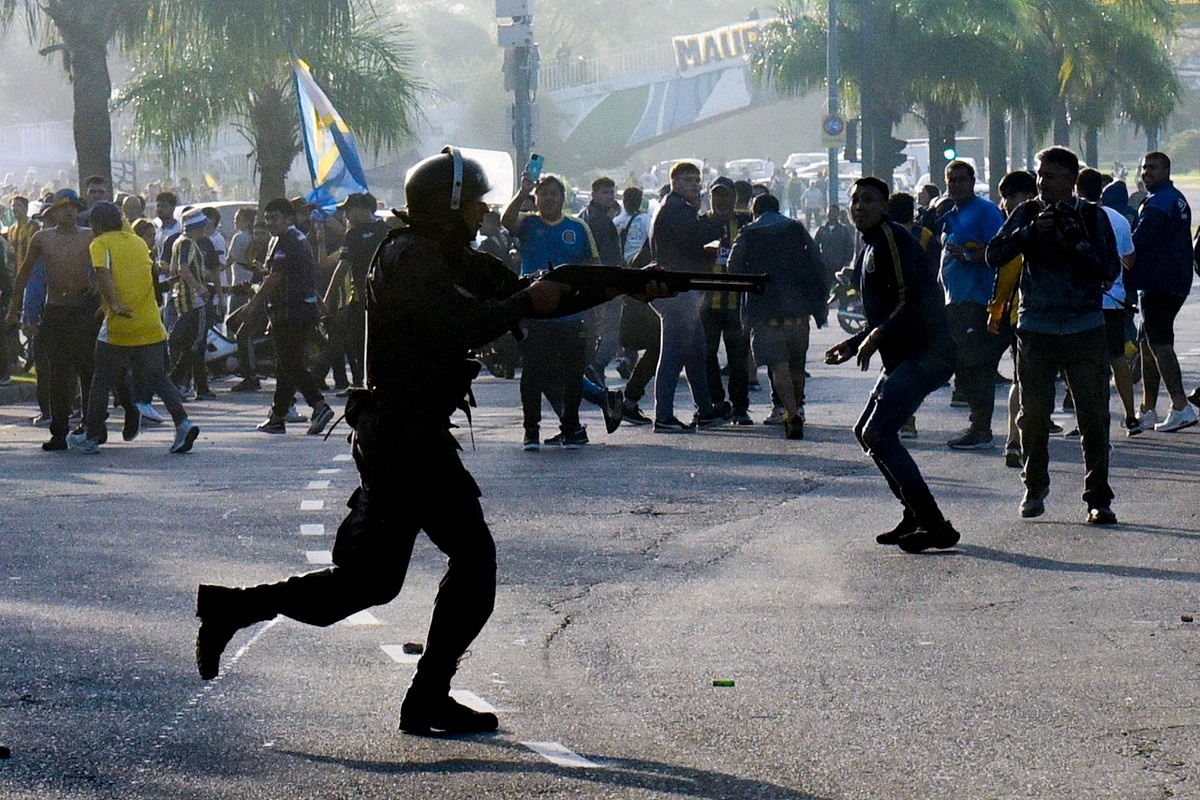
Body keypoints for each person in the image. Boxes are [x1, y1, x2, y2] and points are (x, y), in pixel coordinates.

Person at [194, 146, 663, 735]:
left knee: (365, 584)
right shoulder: (411, 258)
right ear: (447, 206)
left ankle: (232, 608)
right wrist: (523, 302)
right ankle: (428, 696)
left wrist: (629, 285)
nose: (481, 214)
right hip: (404, 437)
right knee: (472, 559)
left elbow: (541, 288)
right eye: (473, 204)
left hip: (402, 436)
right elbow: (459, 322)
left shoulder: (438, 252)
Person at [986, 146, 1120, 525]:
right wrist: (1029, 235)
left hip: (1084, 328)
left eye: (1049, 176)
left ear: (1071, 180)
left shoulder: (1092, 216)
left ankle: (1098, 498)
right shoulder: (1026, 213)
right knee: (1034, 415)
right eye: (1039, 175)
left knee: (1093, 416)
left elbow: (1109, 270)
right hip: (1036, 329)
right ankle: (1034, 486)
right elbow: (993, 254)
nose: (1041, 183)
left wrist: (1078, 243)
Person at [824, 177, 959, 553]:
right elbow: (884, 312)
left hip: (928, 352)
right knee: (865, 431)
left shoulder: (892, 240)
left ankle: (934, 524)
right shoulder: (869, 244)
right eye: (855, 200)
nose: (860, 207)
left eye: (868, 200)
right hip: (903, 354)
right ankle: (913, 513)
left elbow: (911, 297)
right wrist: (854, 343)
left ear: (885, 206)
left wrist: (877, 335)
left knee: (878, 433)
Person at [64, 202, 198, 454]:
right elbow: (138, 278)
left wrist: (112, 304)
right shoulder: (138, 242)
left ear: (97, 225)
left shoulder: (100, 243)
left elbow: (103, 274)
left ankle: (91, 436)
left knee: (101, 379)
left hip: (120, 323)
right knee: (158, 377)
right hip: (149, 322)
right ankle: (183, 422)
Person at [502, 173, 599, 450]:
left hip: (570, 314)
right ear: (536, 199)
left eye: (553, 193)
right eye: (543, 194)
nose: (548, 198)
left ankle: (570, 428)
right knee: (532, 374)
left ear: (562, 198)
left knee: (572, 373)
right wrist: (522, 192)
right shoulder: (528, 223)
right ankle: (530, 432)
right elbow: (506, 222)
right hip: (535, 314)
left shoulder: (578, 227)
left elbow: (593, 266)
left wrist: (594, 309)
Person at [5, 189, 99, 451]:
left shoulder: (90, 237)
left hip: (84, 312)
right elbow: (24, 277)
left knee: (88, 371)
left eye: (73, 206)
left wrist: (99, 289)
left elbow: (104, 269)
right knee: (59, 374)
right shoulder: (42, 239)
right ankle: (59, 430)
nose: (69, 211)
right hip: (55, 312)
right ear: (52, 212)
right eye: (63, 206)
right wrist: (17, 312)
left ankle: (93, 427)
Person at [729, 192, 826, 438]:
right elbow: (816, 260)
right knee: (797, 363)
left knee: (778, 364)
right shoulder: (795, 228)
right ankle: (799, 407)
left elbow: (733, 266)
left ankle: (789, 412)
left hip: (765, 310)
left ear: (755, 211)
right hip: (798, 310)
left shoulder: (748, 233)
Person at [241, 198, 335, 435]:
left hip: (290, 312)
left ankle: (318, 404)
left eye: (275, 218)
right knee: (286, 365)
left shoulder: (288, 240)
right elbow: (295, 274)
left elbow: (276, 278)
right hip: (301, 309)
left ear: (289, 218)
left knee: (290, 364)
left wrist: (253, 304)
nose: (270, 223)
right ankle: (277, 416)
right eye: (267, 218)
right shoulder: (298, 240)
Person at [646, 161, 726, 432]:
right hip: (677, 290)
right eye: (689, 180)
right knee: (673, 354)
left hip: (680, 289)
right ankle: (664, 416)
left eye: (697, 180)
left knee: (695, 351)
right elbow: (694, 238)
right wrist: (714, 221)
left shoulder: (674, 208)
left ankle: (704, 410)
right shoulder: (677, 209)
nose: (696, 185)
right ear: (675, 182)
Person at [937, 160, 1007, 451]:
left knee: (977, 365)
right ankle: (977, 423)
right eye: (951, 180)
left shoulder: (985, 210)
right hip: (956, 301)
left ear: (973, 181)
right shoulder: (950, 214)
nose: (955, 185)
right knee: (965, 364)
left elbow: (1000, 249)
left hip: (978, 301)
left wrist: (968, 256)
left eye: (961, 180)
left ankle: (981, 429)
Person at [1127, 152, 1196, 432]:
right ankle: (1149, 409)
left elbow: (1138, 240)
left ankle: (1180, 407)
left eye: (1153, 168)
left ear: (1167, 169)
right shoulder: (1171, 198)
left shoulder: (1161, 201)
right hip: (1165, 280)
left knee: (1159, 344)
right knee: (1146, 344)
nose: (1147, 172)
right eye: (1144, 168)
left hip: (1161, 282)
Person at [986, 170, 1039, 469]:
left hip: (1028, 316)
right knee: (1024, 381)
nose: (1004, 203)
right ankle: (1016, 441)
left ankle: (1015, 440)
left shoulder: (1023, 227)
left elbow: (1005, 273)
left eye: (1010, 197)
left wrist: (995, 310)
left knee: (1022, 381)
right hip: (1025, 319)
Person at [700, 176, 752, 425]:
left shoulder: (745, 223)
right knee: (707, 355)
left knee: (738, 359)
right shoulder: (701, 224)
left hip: (737, 303)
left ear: (734, 198)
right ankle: (718, 403)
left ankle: (740, 408)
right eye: (716, 195)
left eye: (726, 195)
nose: (721, 200)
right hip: (707, 304)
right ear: (710, 198)